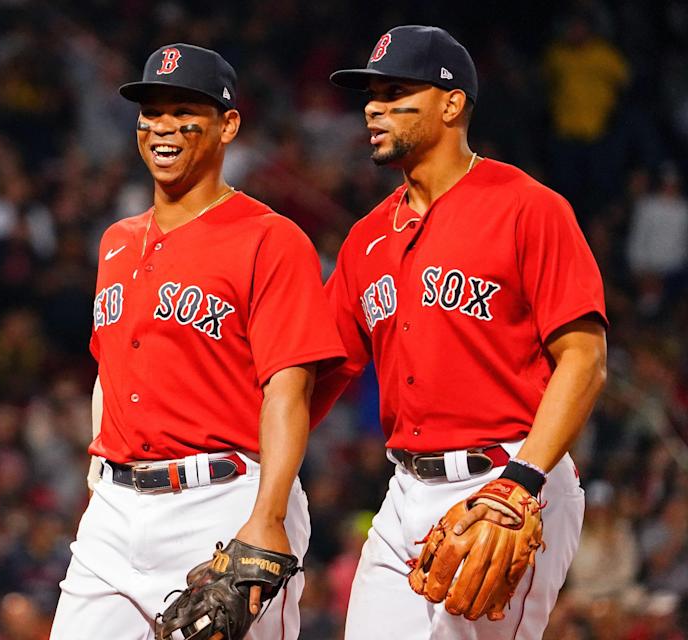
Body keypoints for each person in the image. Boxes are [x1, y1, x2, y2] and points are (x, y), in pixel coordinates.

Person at [315, 25, 608, 639]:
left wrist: (521, 484)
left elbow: (584, 360)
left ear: (451, 104)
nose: (374, 106)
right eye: (371, 94)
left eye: (397, 93)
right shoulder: (367, 237)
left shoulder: (528, 208)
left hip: (507, 481)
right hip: (403, 492)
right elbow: (317, 371)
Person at [50, 43, 346, 639]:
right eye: (150, 111)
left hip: (220, 502)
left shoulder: (270, 238)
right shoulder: (116, 241)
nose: (162, 127)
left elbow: (289, 388)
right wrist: (98, 468)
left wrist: (267, 517)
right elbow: (110, 366)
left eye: (183, 110)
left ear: (228, 124)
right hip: (115, 509)